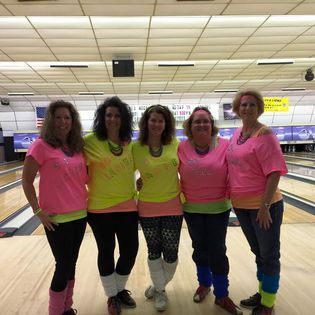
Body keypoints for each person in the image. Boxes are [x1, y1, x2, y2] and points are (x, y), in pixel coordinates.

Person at [22, 100, 88, 315]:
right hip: (57, 220)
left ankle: (66, 308)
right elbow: (26, 181)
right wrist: (38, 212)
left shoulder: (77, 147)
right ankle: (55, 311)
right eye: (58, 117)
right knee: (63, 266)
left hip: (79, 215)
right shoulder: (40, 146)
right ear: (50, 120)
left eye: (67, 117)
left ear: (73, 121)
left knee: (71, 265)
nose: (63, 122)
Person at [226, 90, 287, 315]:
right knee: (259, 252)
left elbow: (274, 172)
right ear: (237, 108)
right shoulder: (236, 134)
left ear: (259, 108)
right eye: (243, 105)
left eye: (252, 105)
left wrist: (265, 206)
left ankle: (268, 304)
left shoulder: (265, 134)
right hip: (241, 206)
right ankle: (263, 293)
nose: (247, 109)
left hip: (264, 207)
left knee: (269, 254)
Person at [178, 106, 242, 315]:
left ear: (212, 124)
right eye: (197, 121)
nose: (202, 124)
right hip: (192, 208)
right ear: (190, 126)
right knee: (200, 248)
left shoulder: (225, 145)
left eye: (206, 121)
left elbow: (238, 169)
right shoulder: (181, 148)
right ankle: (204, 284)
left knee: (217, 250)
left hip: (218, 208)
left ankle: (222, 295)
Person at [84, 96, 138, 315]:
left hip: (127, 206)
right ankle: (112, 296)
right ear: (102, 118)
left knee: (130, 251)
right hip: (99, 209)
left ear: (123, 119)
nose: (113, 119)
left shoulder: (129, 143)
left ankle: (119, 288)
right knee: (106, 251)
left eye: (117, 115)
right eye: (109, 115)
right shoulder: (89, 141)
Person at [132, 105, 183, 312]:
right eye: (153, 120)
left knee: (171, 253)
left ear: (166, 124)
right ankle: (161, 292)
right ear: (146, 122)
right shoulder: (136, 148)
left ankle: (157, 285)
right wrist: (135, 186)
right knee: (153, 250)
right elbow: (125, 174)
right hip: (147, 207)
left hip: (172, 205)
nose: (156, 124)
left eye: (161, 121)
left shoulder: (176, 144)